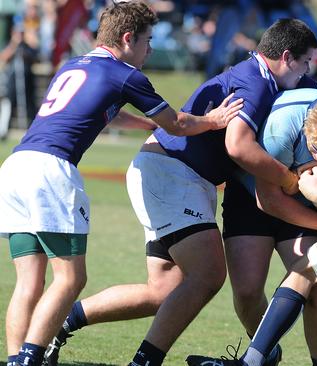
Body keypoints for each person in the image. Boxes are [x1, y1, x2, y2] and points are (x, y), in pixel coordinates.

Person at [44, 18, 317, 366]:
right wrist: (291, 181)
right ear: (287, 57)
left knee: (163, 290)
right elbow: (238, 147)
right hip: (174, 174)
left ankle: (60, 324)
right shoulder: (257, 82)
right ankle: (144, 361)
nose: (307, 71)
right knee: (207, 274)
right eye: (306, 62)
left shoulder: (256, 76)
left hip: (169, 173)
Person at [0, 2, 239, 366]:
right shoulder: (125, 74)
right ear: (128, 38)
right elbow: (177, 123)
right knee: (69, 279)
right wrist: (213, 120)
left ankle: (16, 357)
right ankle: (29, 358)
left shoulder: (75, 64)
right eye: (147, 41)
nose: (150, 49)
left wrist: (148, 125)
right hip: (51, 172)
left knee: (29, 281)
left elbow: (107, 113)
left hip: (15, 166)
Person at [186, 88, 317, 366]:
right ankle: (265, 355)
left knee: (313, 281)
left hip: (307, 204)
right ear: (308, 132)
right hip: (253, 196)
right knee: (247, 293)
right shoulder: (280, 129)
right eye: (315, 151)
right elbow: (269, 201)